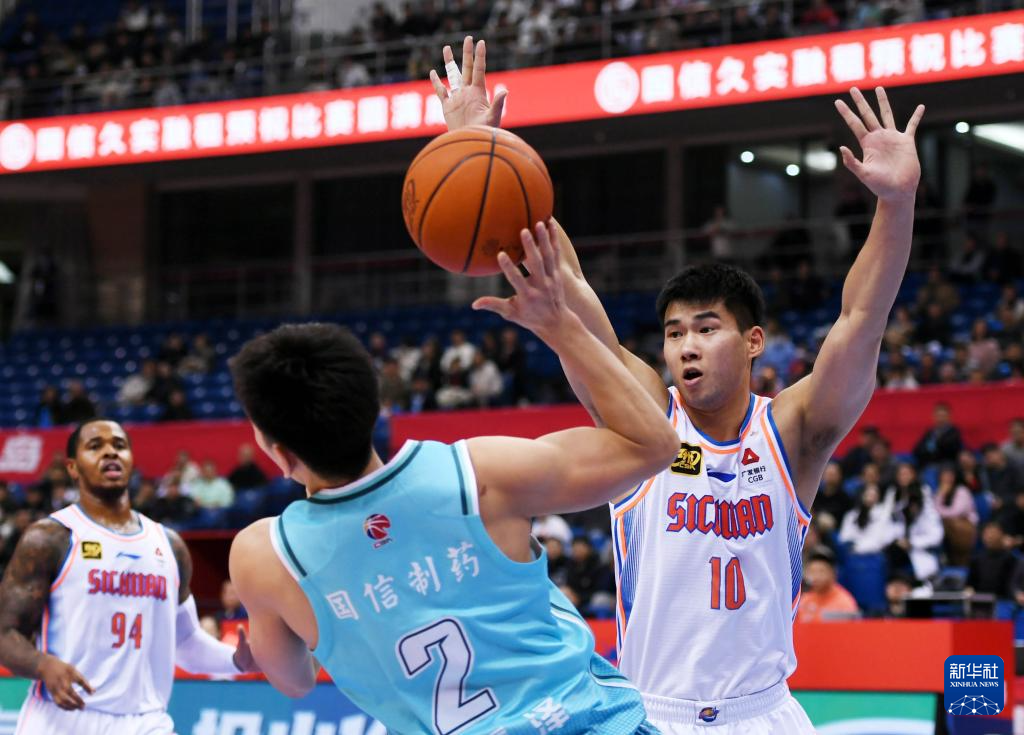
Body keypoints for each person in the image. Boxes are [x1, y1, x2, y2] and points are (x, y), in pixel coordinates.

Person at [441, 36, 924, 732]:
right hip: (651, 712)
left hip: (763, 714)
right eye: (673, 333)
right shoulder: (640, 419)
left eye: (706, 328)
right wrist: (481, 150)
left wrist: (897, 205)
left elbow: (861, 318)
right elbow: (568, 284)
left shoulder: (792, 431)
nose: (686, 346)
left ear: (753, 341)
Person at [228, 185, 675, 735]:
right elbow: (655, 445)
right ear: (375, 408)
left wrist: (260, 650)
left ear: (279, 453)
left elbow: (295, 680)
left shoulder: (263, 557)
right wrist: (560, 328)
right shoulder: (477, 476)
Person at [0, 419, 257, 734]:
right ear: (73, 468)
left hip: (145, 722)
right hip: (63, 718)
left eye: (119, 445)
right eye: (95, 446)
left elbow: (185, 641)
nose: (110, 452)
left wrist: (236, 660)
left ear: (131, 461)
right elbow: (4, 633)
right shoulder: (50, 537)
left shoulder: (169, 546)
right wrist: (42, 665)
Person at [796, 552, 858, 623]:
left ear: (833, 573)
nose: (816, 577)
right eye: (812, 571)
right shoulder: (804, 600)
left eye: (821, 571)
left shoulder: (844, 603)